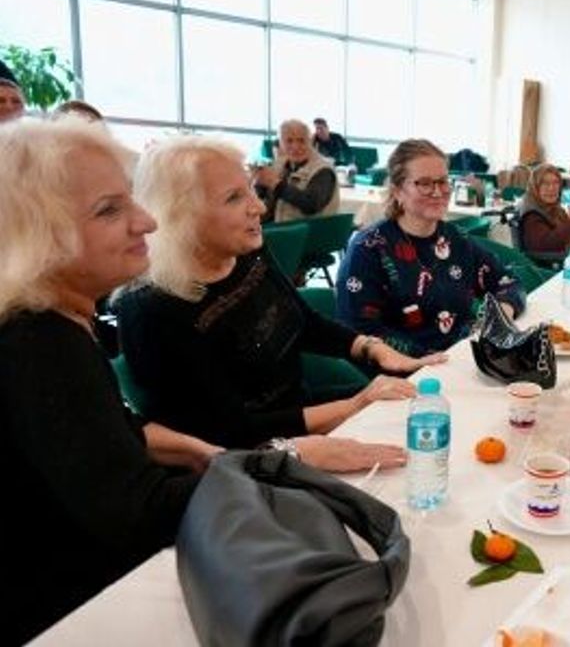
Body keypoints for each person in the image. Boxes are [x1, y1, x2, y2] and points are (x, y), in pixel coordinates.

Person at [0, 120, 403, 643]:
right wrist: (286, 459)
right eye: (109, 209)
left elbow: (115, 428)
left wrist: (208, 455)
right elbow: (140, 513)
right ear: (35, 233)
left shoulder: (58, 321)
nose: (145, 221)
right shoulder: (38, 343)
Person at [116, 136, 439, 449]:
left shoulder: (246, 251)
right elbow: (226, 432)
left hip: (303, 412)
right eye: (233, 198)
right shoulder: (151, 310)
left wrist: (371, 348)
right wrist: (355, 405)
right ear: (179, 217)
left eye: (251, 191)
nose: (258, 206)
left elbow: (302, 321)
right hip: (254, 454)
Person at [336, 138, 527, 357]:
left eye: (443, 181)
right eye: (425, 183)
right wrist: (431, 359)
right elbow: (359, 332)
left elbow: (510, 283)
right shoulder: (368, 248)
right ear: (398, 191)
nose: (438, 192)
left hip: (461, 360)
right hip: (403, 374)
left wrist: (503, 311)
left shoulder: (457, 240)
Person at [254, 118, 339, 222]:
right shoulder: (279, 164)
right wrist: (259, 185)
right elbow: (264, 201)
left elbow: (311, 205)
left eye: (301, 141)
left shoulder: (324, 169)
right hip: (275, 229)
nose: (295, 147)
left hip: (306, 234)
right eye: (289, 141)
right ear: (280, 144)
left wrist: (276, 185)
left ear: (311, 142)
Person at [516, 164, 570, 258]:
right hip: (552, 267)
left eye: (556, 183)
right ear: (535, 186)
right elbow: (548, 246)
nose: (551, 188)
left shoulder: (555, 208)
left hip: (568, 259)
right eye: (545, 183)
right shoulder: (532, 215)